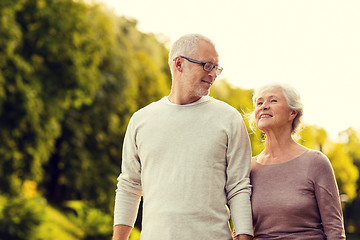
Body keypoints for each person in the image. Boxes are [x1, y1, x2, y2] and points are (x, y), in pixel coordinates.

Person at [113, 33, 253, 240]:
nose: (213, 74)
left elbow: (238, 187)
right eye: (207, 66)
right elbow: (129, 185)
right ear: (179, 64)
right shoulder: (141, 120)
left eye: (216, 68)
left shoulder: (229, 119)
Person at [240, 83, 346, 239]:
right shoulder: (247, 167)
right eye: (259, 103)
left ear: (292, 113)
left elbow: (335, 230)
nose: (263, 107)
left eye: (273, 101)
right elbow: (241, 227)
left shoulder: (316, 162)